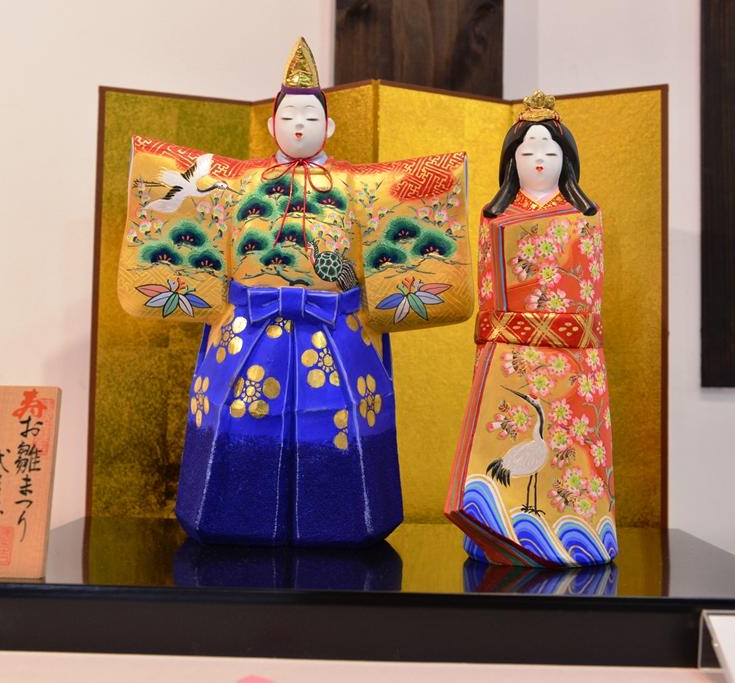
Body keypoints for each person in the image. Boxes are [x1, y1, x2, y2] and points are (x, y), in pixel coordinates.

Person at [118, 38, 472, 546]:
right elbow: (177, 189)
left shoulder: (355, 184)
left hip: (337, 328)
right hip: (248, 325)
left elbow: (412, 201)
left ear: (330, 126)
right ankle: (233, 521)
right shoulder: (237, 182)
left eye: (310, 116)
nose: (299, 125)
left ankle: (343, 525)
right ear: (271, 125)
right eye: (288, 116)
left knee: (338, 418)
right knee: (240, 413)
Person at [445, 91, 618, 567]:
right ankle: (495, 529)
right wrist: (494, 334)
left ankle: (583, 535)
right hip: (509, 354)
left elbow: (591, 290)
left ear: (566, 160)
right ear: (511, 160)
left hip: (572, 357)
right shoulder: (495, 216)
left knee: (571, 448)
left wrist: (573, 334)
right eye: (527, 151)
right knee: (507, 436)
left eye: (549, 150)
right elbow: (488, 289)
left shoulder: (584, 216)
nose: (538, 159)